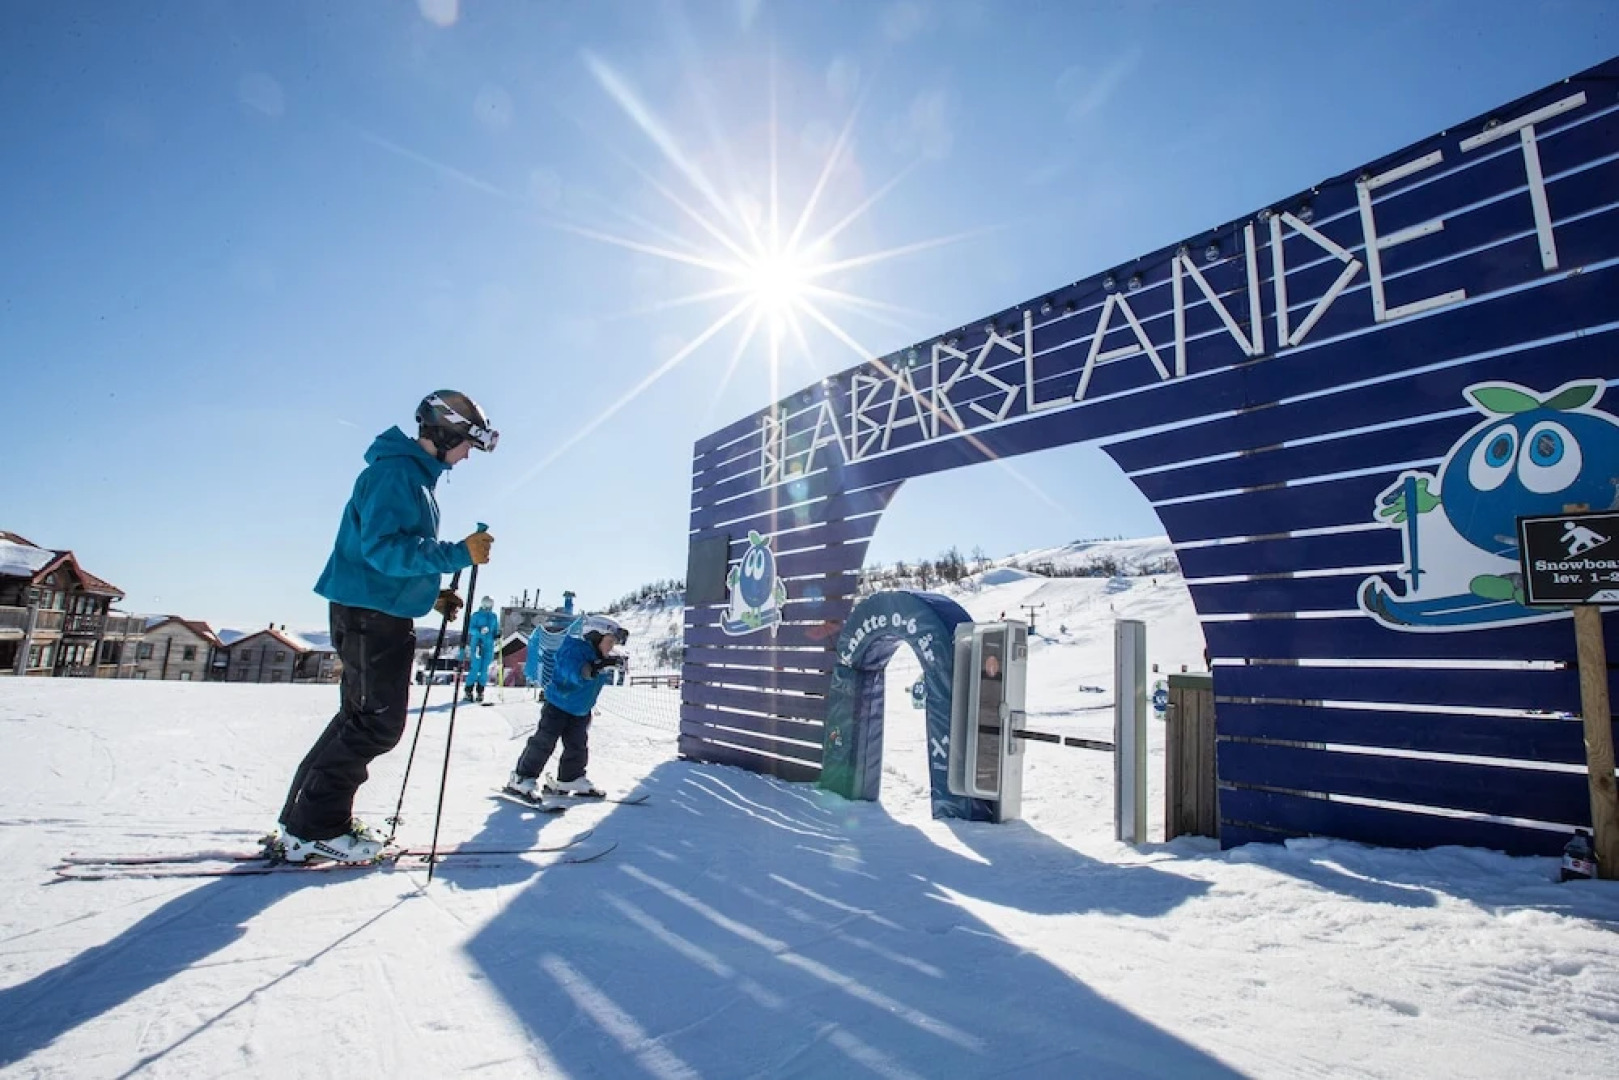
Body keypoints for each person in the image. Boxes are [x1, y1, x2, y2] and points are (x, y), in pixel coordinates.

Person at [276, 390, 498, 863]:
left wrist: (428, 594)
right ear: (443, 433)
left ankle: (304, 823)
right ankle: (316, 826)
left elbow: (386, 553)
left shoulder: (410, 476)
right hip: (370, 617)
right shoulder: (397, 474)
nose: (465, 457)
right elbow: (385, 549)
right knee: (375, 726)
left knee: (359, 721)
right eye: (465, 446)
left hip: (373, 609)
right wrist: (457, 554)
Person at [505, 614, 626, 801]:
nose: (611, 647)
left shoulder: (599, 657)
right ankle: (522, 777)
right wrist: (590, 669)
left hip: (580, 710)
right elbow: (570, 670)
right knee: (544, 742)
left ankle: (571, 778)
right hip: (558, 706)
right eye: (609, 641)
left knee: (577, 746)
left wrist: (610, 664)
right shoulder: (574, 649)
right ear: (595, 636)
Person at [464, 597, 499, 702]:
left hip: (489, 645)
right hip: (478, 644)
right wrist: (480, 631)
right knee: (475, 667)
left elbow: (495, 629)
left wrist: (497, 634)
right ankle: (468, 691)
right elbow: (470, 629)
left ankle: (480, 691)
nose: (489, 608)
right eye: (487, 606)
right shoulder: (476, 615)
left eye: (490, 606)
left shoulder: (493, 616)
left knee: (484, 670)